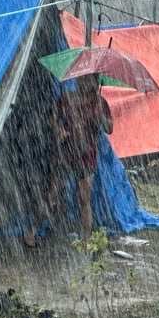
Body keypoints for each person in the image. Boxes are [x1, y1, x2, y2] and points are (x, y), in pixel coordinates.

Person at [54, 74, 114, 237]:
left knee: (84, 197)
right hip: (66, 152)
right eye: (82, 78)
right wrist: (59, 129)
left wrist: (101, 114)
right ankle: (41, 230)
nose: (84, 82)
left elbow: (109, 128)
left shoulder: (100, 103)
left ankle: (86, 238)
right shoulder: (67, 98)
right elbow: (55, 119)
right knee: (54, 192)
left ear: (95, 82)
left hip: (87, 154)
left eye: (88, 79)